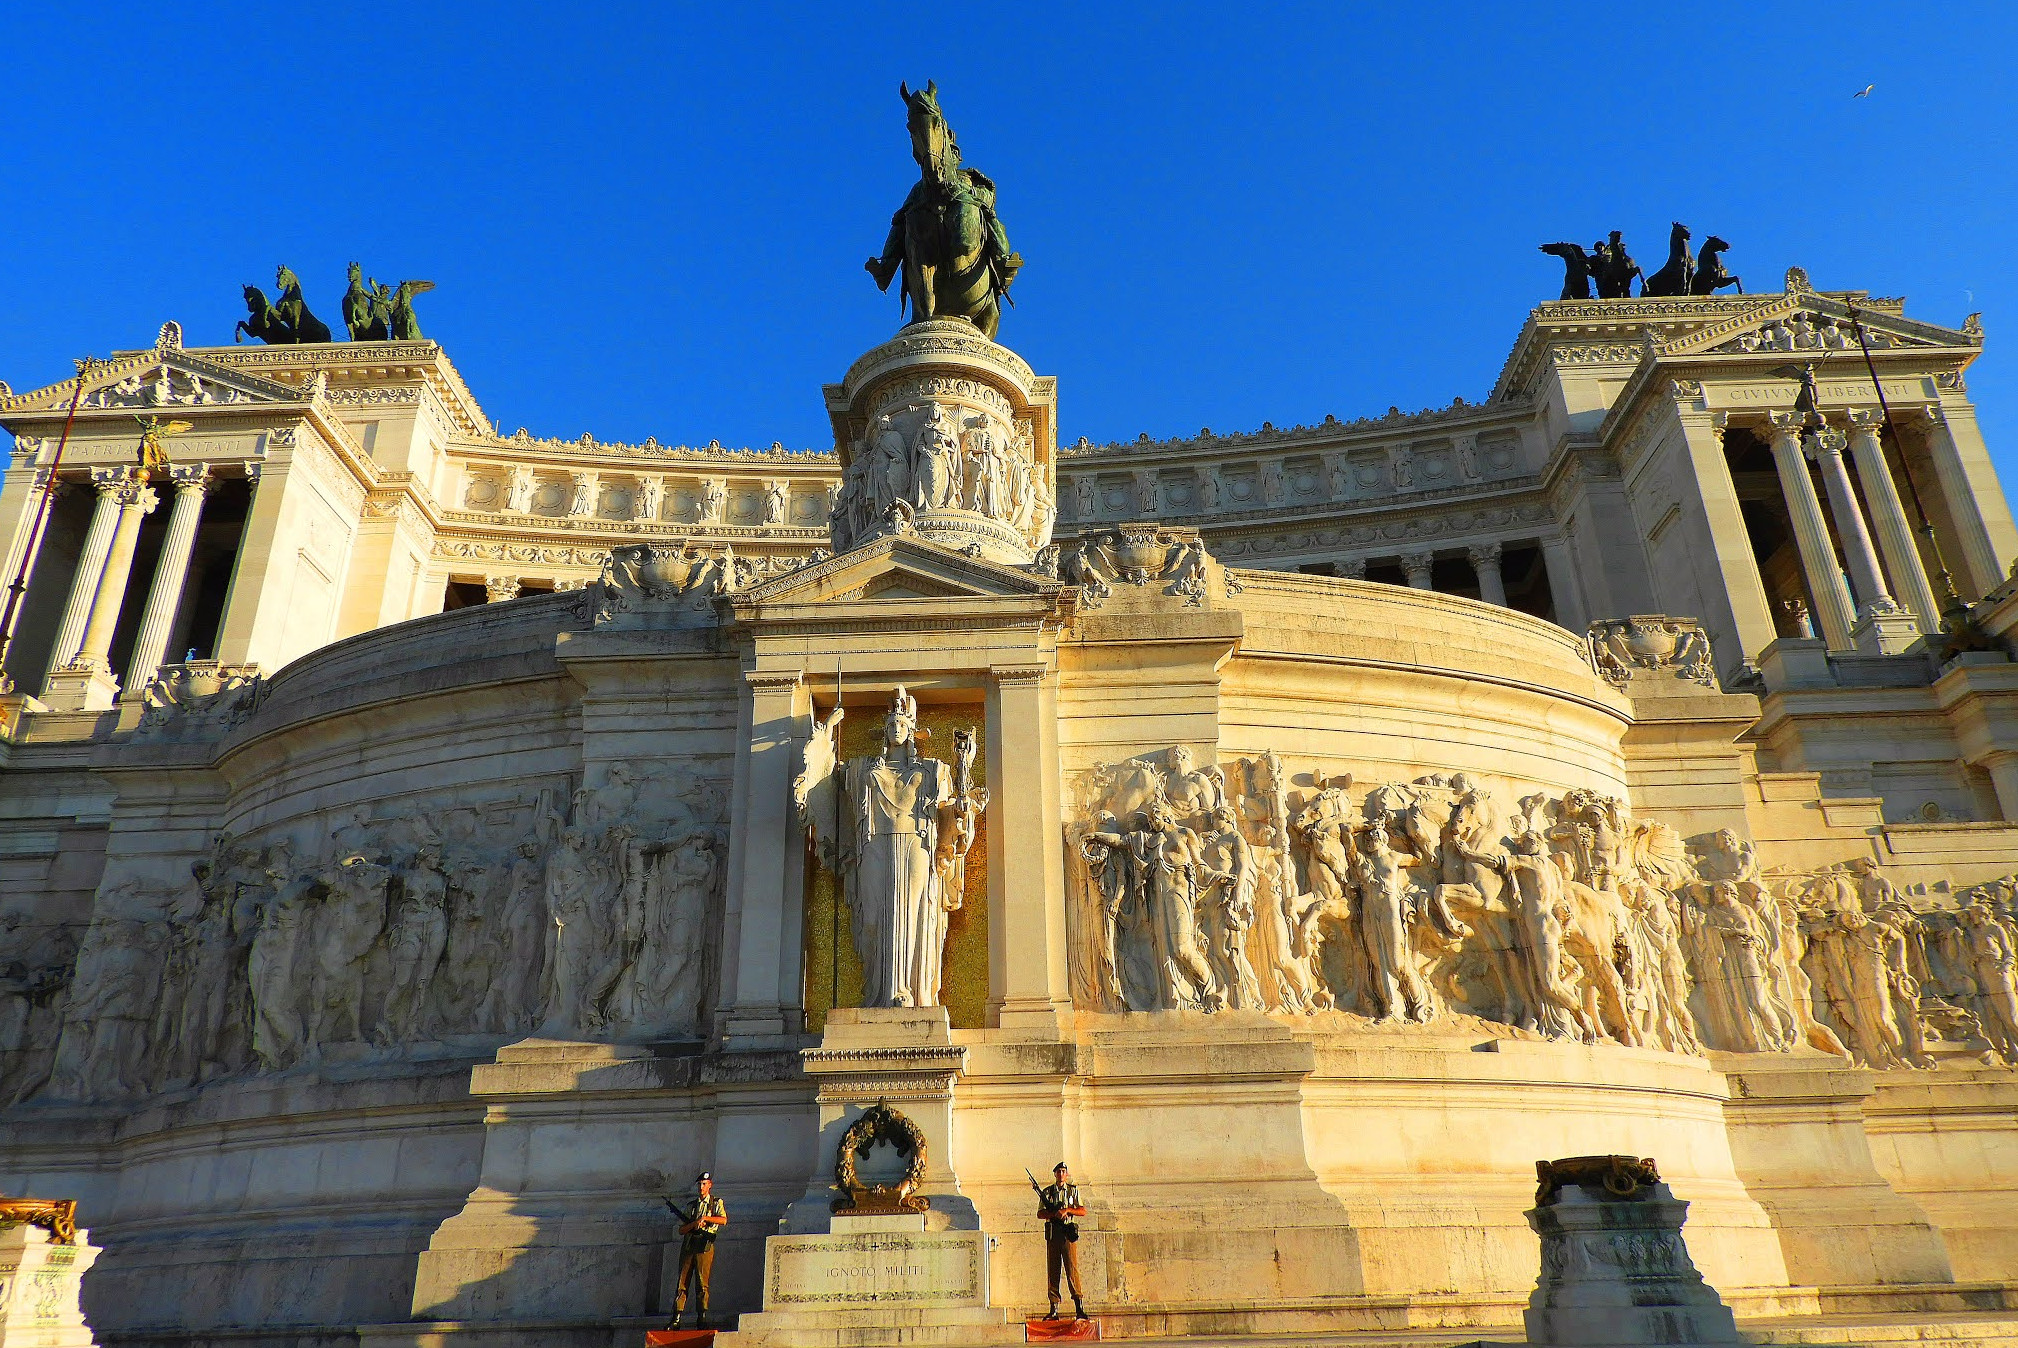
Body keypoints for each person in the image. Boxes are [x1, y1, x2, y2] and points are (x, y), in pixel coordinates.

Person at [670, 1171, 728, 1328]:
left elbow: (723, 1220)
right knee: (682, 1282)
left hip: (705, 1246)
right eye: (700, 1184)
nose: (701, 1187)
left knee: (702, 1284)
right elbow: (682, 1230)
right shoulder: (692, 1206)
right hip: (690, 1245)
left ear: (710, 1185)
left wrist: (705, 1219)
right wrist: (694, 1224)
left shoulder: (716, 1203)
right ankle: (676, 1317)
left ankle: (702, 1317)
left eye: (704, 1184)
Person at [1037, 1162, 1088, 1321]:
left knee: (1072, 1269)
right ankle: (1053, 1308)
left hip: (1067, 1233)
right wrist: (1053, 1214)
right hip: (1054, 1233)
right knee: (1053, 1270)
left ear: (1066, 1174)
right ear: (1055, 1174)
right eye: (1058, 1171)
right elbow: (1040, 1214)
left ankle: (1079, 1307)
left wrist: (1067, 1210)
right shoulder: (1048, 1192)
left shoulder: (1073, 1191)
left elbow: (1082, 1210)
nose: (1061, 1174)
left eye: (1063, 1171)